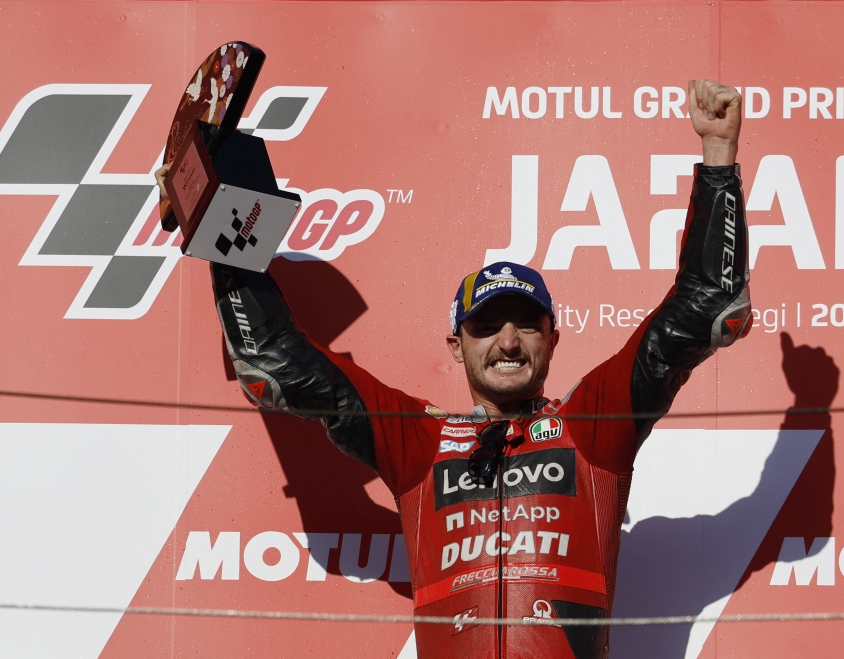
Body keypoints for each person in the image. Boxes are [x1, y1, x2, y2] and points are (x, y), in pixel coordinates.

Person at [156, 78, 751, 659]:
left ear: (553, 338)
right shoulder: (418, 441)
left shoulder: (592, 428)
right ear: (455, 344)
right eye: (487, 327)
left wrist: (718, 154)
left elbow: (705, 309)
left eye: (526, 324)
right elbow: (275, 366)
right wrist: (213, 215)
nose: (509, 341)